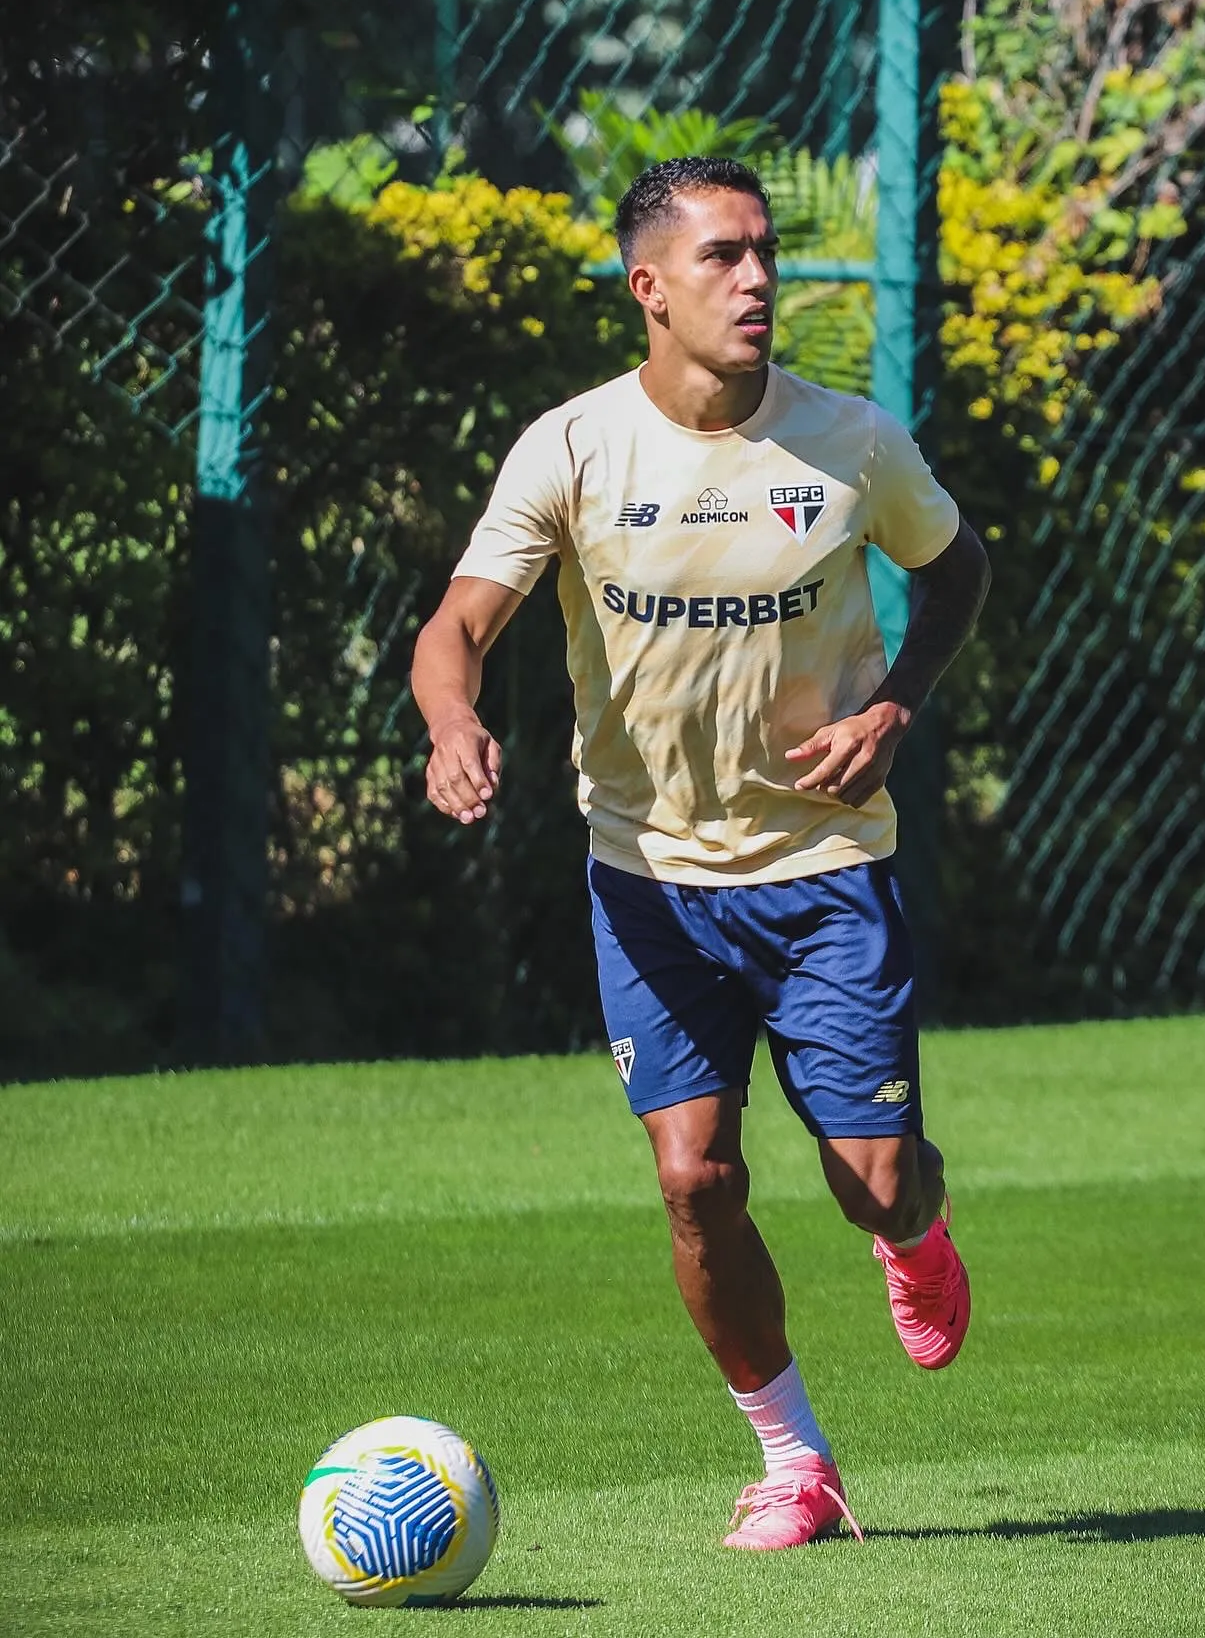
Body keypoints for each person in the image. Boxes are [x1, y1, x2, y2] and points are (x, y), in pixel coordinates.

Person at [411, 156, 991, 1551]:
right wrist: (449, 722)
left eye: (765, 252)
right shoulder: (570, 450)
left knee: (873, 1178)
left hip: (827, 869)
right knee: (693, 1179)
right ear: (648, 288)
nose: (757, 280)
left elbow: (958, 567)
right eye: (724, 257)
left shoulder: (849, 441)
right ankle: (797, 1462)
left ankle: (914, 1232)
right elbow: (459, 629)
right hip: (651, 881)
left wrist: (896, 706)